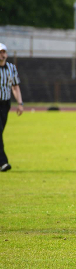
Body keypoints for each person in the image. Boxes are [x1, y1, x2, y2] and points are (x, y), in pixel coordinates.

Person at [0, 43, 24, 172]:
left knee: (1, 131)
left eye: (4, 52)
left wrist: (19, 103)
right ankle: (3, 162)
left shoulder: (11, 68)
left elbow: (15, 86)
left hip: (5, 103)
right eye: (0, 52)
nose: (2, 55)